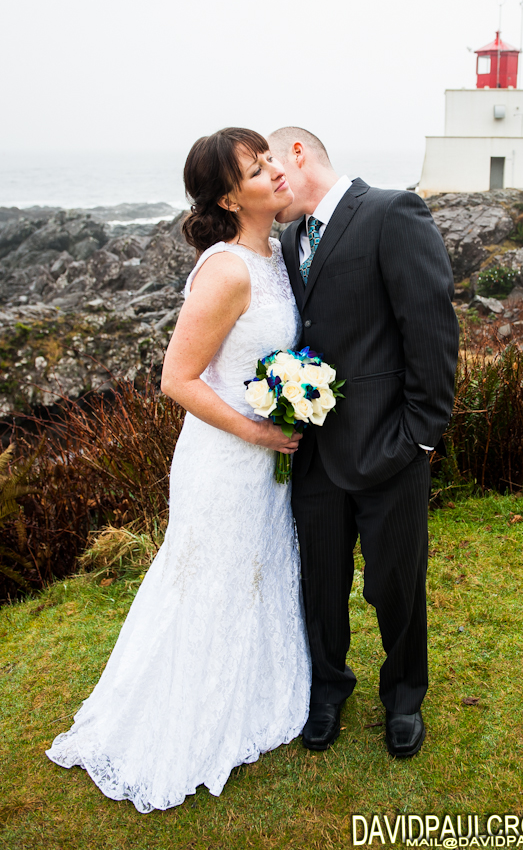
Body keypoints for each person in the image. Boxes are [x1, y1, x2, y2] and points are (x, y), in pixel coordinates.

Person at [45, 128, 311, 813]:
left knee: (254, 571)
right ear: (229, 198)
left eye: (269, 159)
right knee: (208, 580)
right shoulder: (226, 270)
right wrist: (259, 430)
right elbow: (178, 379)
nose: (275, 171)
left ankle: (250, 697)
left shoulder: (275, 254)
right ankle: (180, 718)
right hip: (224, 460)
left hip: (262, 459)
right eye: (257, 168)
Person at [269, 126, 459, 758]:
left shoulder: (390, 211)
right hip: (313, 453)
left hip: (389, 445)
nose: (268, 184)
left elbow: (431, 327)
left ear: (298, 154)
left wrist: (420, 436)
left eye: (271, 166)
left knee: (396, 584)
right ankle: (328, 690)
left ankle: (403, 697)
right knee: (320, 582)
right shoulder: (289, 239)